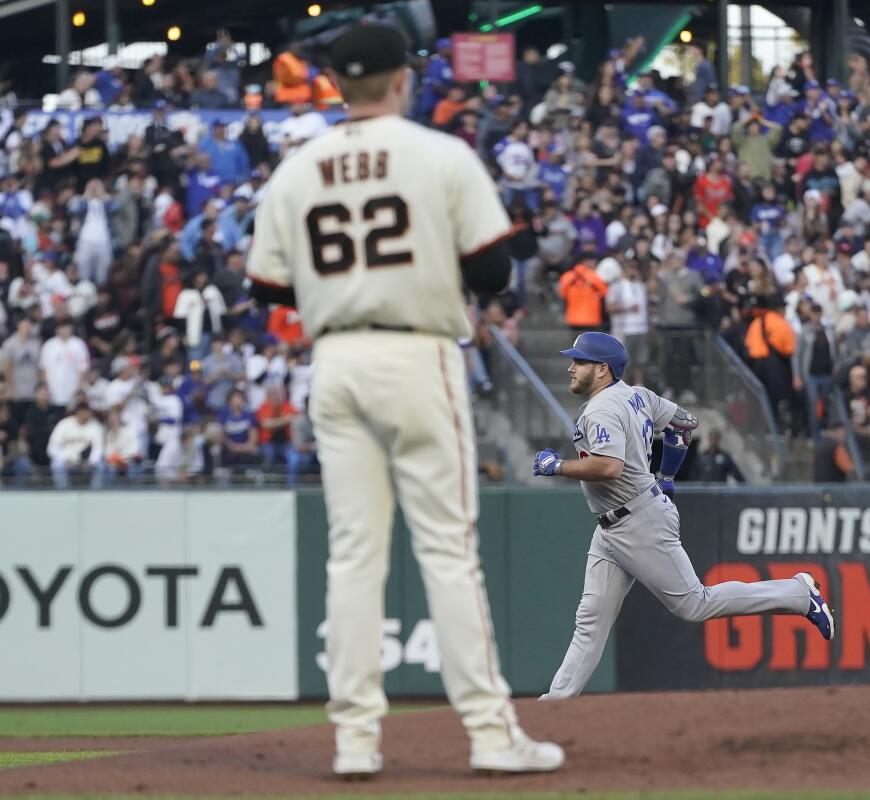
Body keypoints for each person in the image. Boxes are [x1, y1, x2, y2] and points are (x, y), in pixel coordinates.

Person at [246, 24, 561, 779]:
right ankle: (489, 734)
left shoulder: (297, 167)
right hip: (416, 352)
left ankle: (355, 741)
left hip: (337, 359)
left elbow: (264, 284)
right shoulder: (439, 154)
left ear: (337, 84)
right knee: (448, 552)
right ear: (401, 80)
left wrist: (337, 287)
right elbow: (492, 271)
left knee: (354, 556)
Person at [533, 332, 833, 700]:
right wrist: (667, 474)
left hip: (636, 519)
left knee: (695, 603)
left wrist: (557, 466)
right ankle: (556, 704)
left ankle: (798, 594)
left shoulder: (601, 409)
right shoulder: (638, 395)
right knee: (590, 621)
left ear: (601, 369)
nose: (570, 367)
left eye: (579, 361)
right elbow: (685, 422)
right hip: (615, 523)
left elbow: (609, 467)